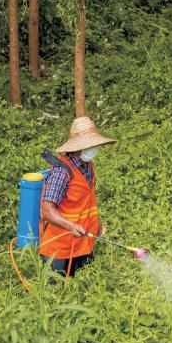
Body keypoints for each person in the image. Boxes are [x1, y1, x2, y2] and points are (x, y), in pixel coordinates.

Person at [39, 116, 116, 277]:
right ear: (77, 147)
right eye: (90, 145)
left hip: (83, 243)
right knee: (57, 294)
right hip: (59, 249)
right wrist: (70, 226)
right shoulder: (61, 172)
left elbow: (87, 201)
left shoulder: (87, 166)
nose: (93, 149)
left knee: (84, 289)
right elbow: (47, 211)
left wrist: (97, 224)